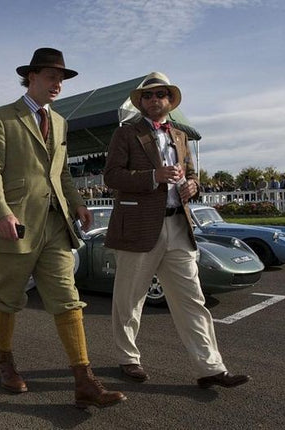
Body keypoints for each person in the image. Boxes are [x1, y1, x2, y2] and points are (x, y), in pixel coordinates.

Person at [0, 47, 125, 408]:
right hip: (17, 224)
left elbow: (61, 172)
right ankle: (5, 361)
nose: (57, 83)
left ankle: (84, 380)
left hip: (57, 225)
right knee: (8, 298)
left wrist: (76, 203)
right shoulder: (1, 117)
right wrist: (1, 213)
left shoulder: (59, 122)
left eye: (61, 78)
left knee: (67, 299)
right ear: (31, 77)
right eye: (51, 76)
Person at [103, 72, 250, 389]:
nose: (155, 100)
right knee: (130, 300)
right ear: (140, 102)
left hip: (178, 227)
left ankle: (211, 367)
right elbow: (112, 177)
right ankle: (128, 358)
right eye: (149, 96)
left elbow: (193, 175)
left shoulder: (181, 136)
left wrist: (193, 186)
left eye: (161, 95)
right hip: (138, 228)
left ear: (170, 101)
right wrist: (153, 175)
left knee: (192, 300)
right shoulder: (126, 134)